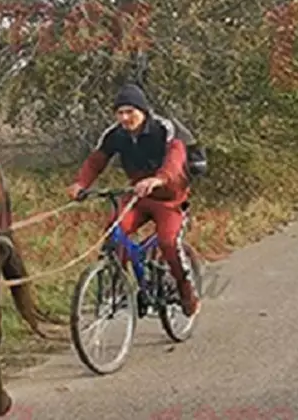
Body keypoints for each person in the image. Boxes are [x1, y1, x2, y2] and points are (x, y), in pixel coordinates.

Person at [65, 83, 200, 318]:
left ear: (143, 111)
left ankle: (185, 289)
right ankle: (117, 286)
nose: (125, 118)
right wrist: (81, 184)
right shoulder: (115, 135)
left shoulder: (163, 129)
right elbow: (96, 161)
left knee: (168, 244)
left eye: (130, 112)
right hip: (137, 197)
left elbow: (175, 158)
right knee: (114, 233)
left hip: (169, 200)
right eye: (120, 112)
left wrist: (159, 179)